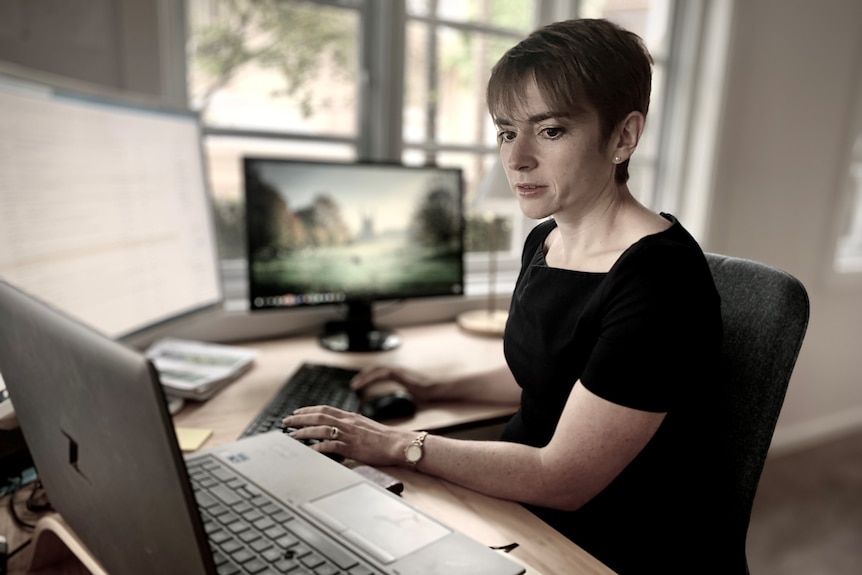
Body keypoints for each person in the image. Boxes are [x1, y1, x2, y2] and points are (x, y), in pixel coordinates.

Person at [283, 18, 738, 574]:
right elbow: (556, 374)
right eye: (505, 131)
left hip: (608, 543)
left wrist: (398, 444)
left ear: (623, 136)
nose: (516, 158)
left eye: (550, 130)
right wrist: (439, 386)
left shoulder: (660, 281)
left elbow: (565, 478)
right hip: (516, 508)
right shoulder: (544, 241)